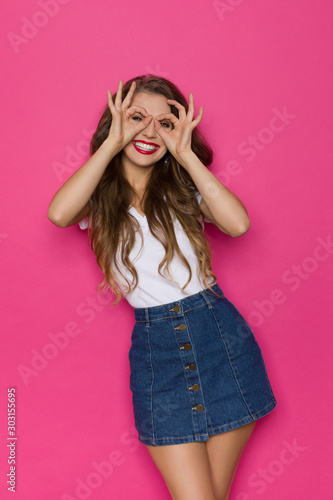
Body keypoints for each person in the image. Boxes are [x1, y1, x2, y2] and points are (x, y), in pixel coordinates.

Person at [48, 75, 277, 500]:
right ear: (115, 123)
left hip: (221, 340)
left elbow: (239, 224)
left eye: (165, 123)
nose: (150, 131)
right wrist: (113, 144)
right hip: (158, 353)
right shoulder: (99, 196)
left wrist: (187, 156)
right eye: (137, 118)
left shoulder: (184, 188)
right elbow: (59, 214)